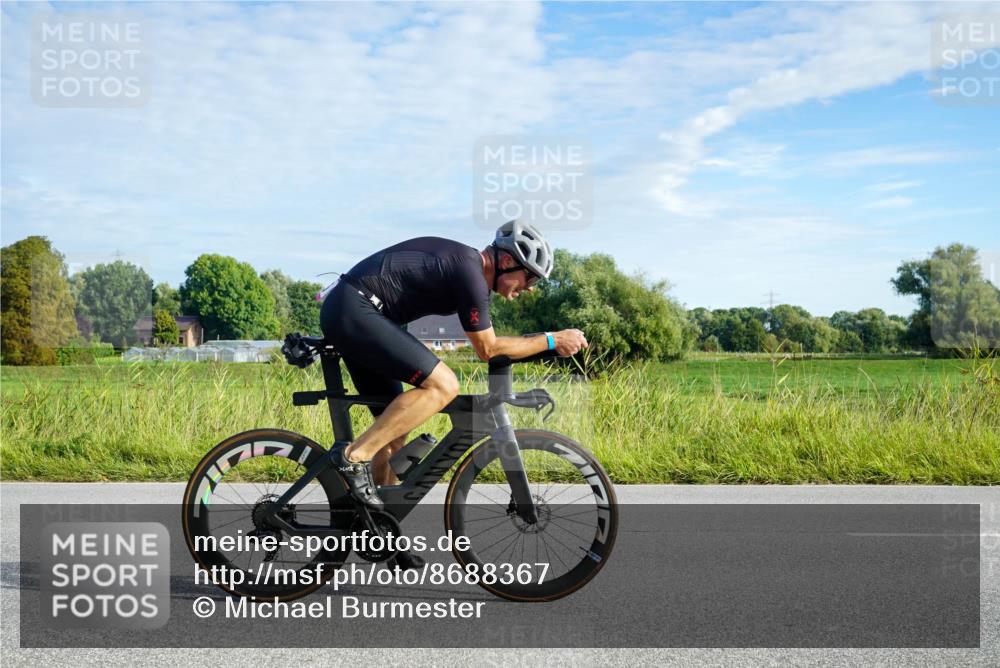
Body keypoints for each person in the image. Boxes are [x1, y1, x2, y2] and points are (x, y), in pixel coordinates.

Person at [319, 221, 588, 567]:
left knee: (393, 438)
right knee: (444, 385)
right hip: (356, 310)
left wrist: (546, 346)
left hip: (361, 313)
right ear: (508, 263)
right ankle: (353, 457)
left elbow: (499, 345)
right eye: (530, 278)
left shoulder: (470, 274)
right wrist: (552, 339)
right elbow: (488, 348)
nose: (530, 288)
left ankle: (379, 531)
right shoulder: (470, 271)